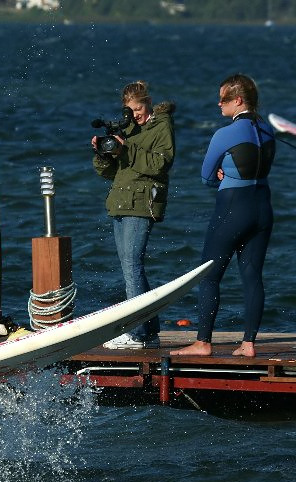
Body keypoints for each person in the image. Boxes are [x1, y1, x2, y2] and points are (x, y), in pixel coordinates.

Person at [171, 74, 275, 358]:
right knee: (252, 276)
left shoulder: (224, 134)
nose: (219, 104)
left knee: (209, 275)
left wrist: (221, 175)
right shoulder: (268, 129)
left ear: (238, 100)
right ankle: (249, 343)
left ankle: (203, 342)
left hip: (233, 207)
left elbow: (206, 176)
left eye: (224, 99)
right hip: (263, 208)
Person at [91, 80, 175, 349]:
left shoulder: (161, 126)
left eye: (139, 109)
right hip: (121, 201)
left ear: (148, 103)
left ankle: (137, 335)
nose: (135, 115)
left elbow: (161, 163)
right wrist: (103, 154)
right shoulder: (127, 129)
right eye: (130, 110)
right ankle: (150, 332)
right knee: (132, 267)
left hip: (142, 203)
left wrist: (125, 149)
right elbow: (111, 173)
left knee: (131, 265)